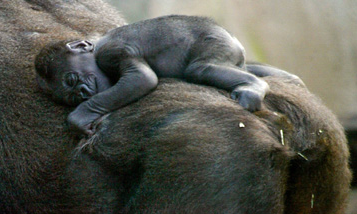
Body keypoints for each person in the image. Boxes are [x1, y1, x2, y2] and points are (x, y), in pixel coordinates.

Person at [35, 15, 299, 135]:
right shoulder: (111, 51)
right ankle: (282, 77)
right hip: (210, 45)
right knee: (212, 72)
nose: (82, 91)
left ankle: (253, 83)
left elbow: (143, 80)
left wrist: (90, 109)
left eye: (72, 79)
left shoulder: (107, 51)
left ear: (81, 47)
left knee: (200, 70)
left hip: (203, 44)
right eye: (74, 97)